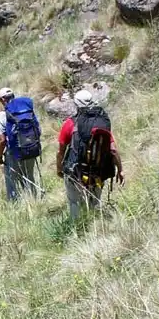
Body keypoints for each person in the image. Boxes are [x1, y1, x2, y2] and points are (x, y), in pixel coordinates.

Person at [57, 89, 124, 221]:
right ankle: (96, 229)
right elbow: (113, 150)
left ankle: (77, 230)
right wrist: (120, 170)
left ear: (76, 105)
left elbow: (60, 151)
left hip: (76, 172)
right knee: (95, 204)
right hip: (98, 172)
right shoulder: (102, 122)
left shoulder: (70, 124)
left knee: (74, 203)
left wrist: (59, 169)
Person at [0, 87, 42, 200]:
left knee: (12, 181)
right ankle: (34, 202)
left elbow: (2, 140)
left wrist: (0, 156)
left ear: (3, 99)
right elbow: (38, 130)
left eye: (0, 101)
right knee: (29, 177)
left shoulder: (1, 115)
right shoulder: (26, 110)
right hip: (30, 148)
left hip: (13, 153)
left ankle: (15, 207)